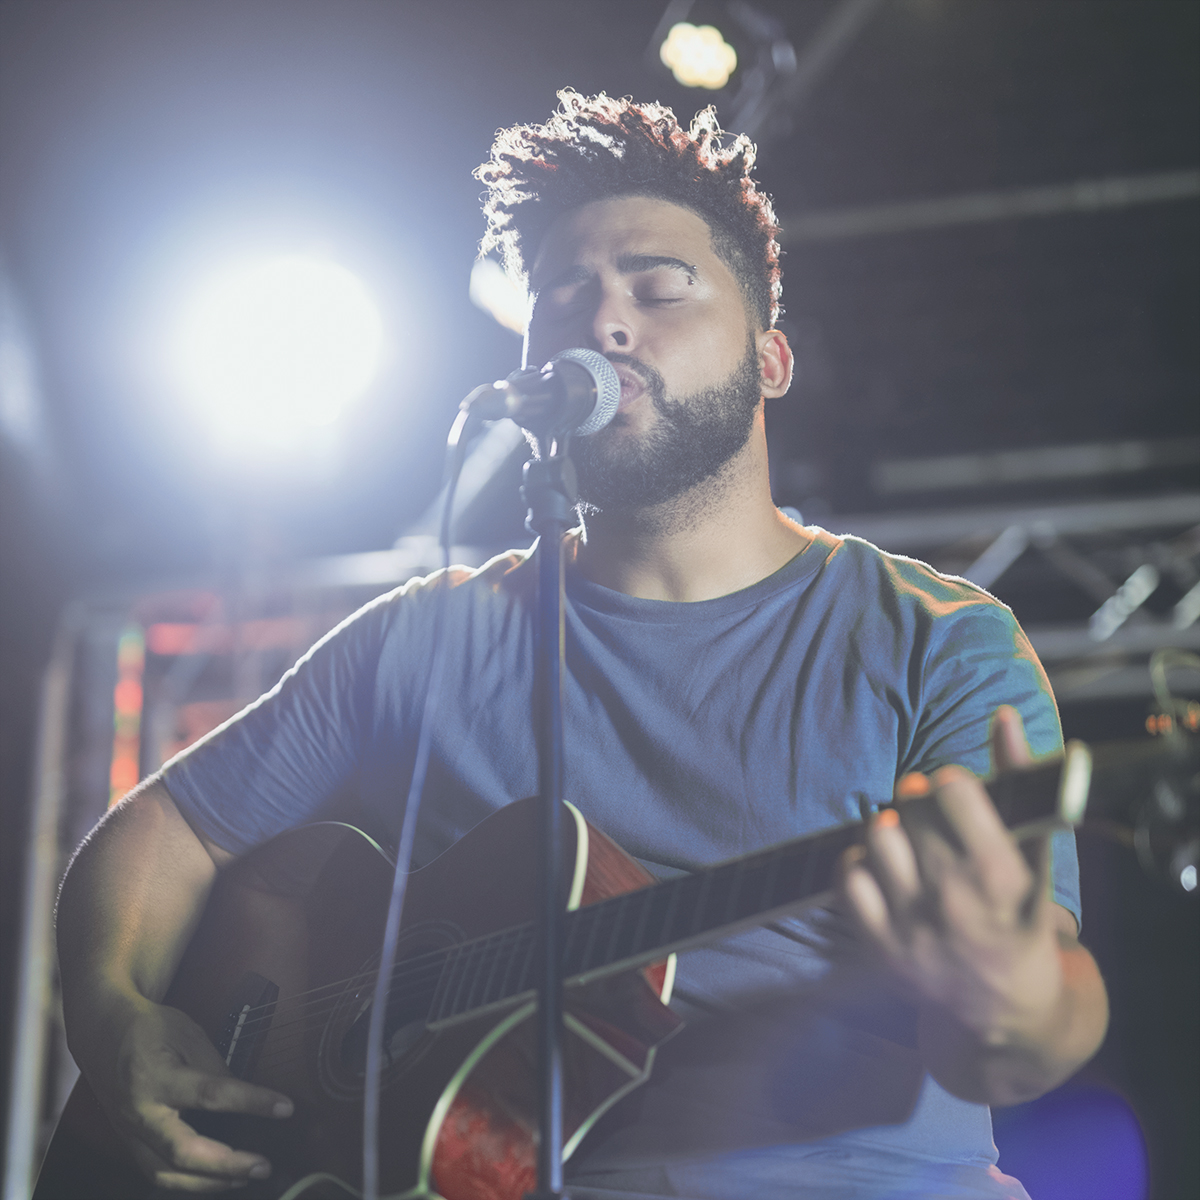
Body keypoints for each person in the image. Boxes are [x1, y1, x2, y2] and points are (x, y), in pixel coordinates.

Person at [52, 91, 1108, 1199]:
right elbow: (165, 830)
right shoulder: (428, 637)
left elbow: (1032, 1021)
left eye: (659, 286)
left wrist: (1013, 999)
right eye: (564, 293)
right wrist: (111, 1013)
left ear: (773, 360)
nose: (603, 320)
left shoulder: (936, 643)